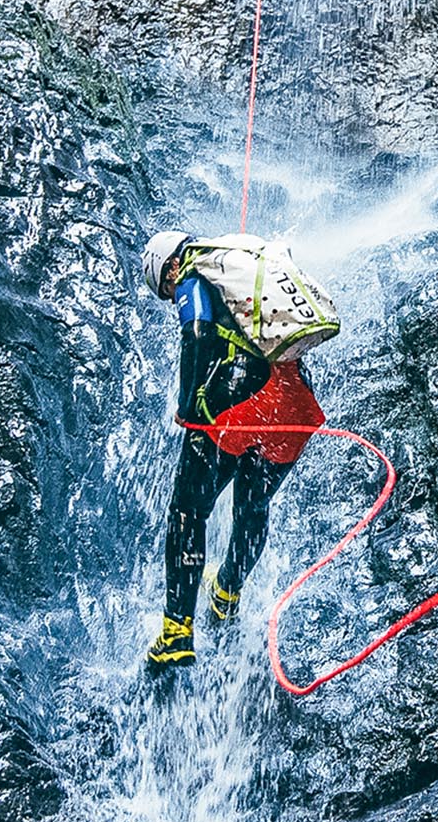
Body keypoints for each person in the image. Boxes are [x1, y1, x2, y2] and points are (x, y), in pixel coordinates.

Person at [140, 230, 327, 668]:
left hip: (240, 398)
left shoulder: (192, 273)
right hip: (294, 402)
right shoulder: (245, 264)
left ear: (168, 267)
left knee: (188, 511)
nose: (173, 296)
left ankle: (176, 631)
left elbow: (199, 331)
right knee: (253, 505)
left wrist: (190, 406)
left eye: (167, 291)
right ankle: (226, 593)